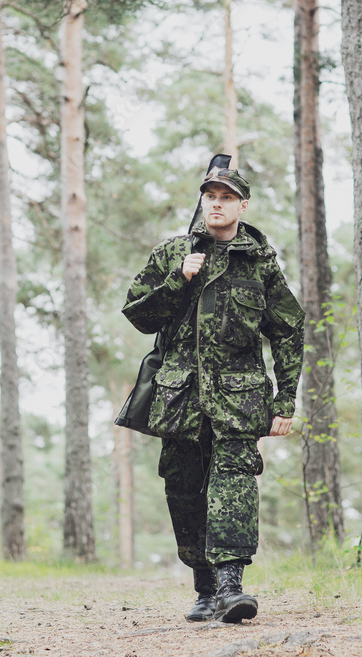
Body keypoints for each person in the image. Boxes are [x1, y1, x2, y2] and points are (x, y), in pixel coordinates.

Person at [121, 166, 304, 624]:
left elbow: (288, 329)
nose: (217, 202)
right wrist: (177, 281)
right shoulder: (172, 253)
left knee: (233, 487)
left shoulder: (260, 263)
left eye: (228, 196)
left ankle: (230, 587)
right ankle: (204, 587)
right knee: (183, 491)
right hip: (180, 397)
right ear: (202, 202)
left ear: (244, 205)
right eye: (210, 195)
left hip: (238, 400)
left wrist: (285, 402)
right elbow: (138, 314)